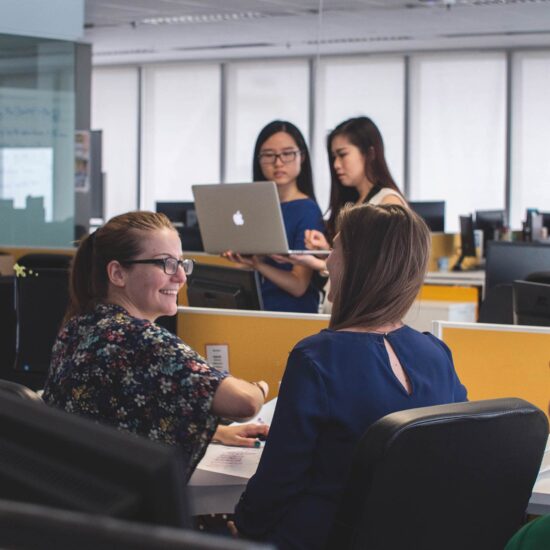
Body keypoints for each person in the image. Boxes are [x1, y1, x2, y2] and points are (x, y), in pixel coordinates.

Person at [231, 204, 467, 549]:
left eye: (335, 249)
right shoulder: (437, 355)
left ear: (359, 264)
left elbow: (277, 484)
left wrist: (242, 524)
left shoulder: (316, 359)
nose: (327, 262)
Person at [43, 211, 269, 480]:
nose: (181, 277)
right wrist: (260, 388)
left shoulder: (81, 325)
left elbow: (117, 417)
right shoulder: (138, 339)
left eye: (182, 263)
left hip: (83, 499)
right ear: (117, 273)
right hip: (123, 511)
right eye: (166, 264)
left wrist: (215, 432)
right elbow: (245, 403)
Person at [223, 120, 325, 313]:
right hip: (256, 309)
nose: (278, 162)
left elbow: (298, 286)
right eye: (269, 155)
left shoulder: (306, 209)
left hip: (289, 315)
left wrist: (258, 265)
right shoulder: (256, 206)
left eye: (287, 154)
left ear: (301, 157)